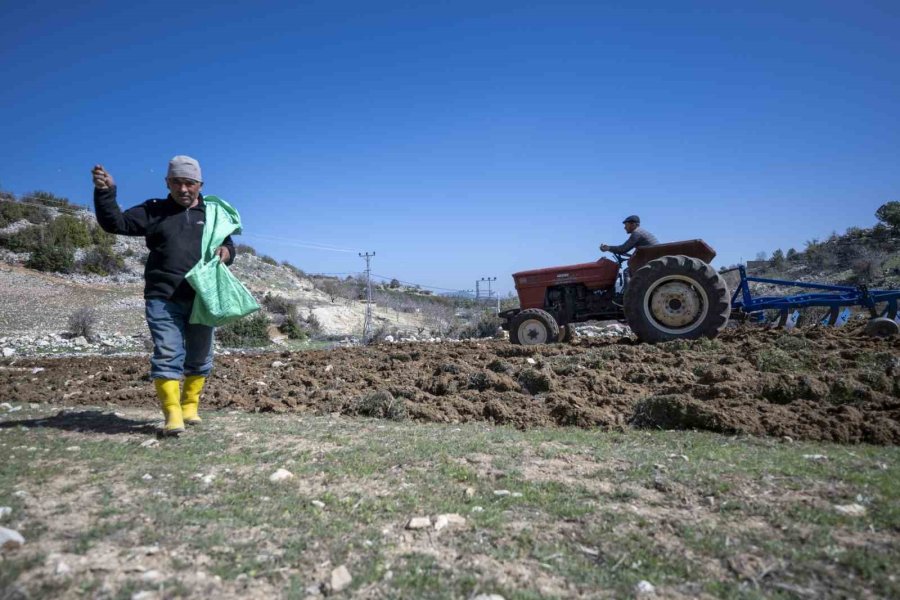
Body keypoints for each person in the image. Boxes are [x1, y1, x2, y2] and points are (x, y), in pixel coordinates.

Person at [92, 156, 236, 436]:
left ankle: (190, 406)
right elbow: (115, 223)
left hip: (203, 297)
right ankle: (172, 416)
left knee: (200, 355)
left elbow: (228, 242)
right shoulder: (154, 210)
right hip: (163, 297)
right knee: (169, 353)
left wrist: (228, 253)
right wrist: (106, 193)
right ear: (167, 183)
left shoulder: (213, 214)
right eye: (177, 183)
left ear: (200, 184)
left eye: (190, 183)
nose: (183, 189)